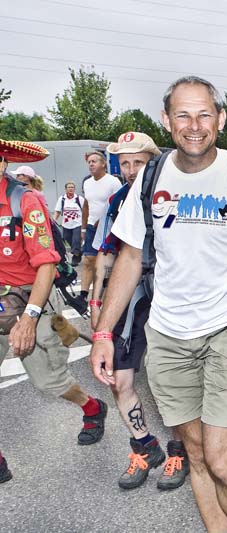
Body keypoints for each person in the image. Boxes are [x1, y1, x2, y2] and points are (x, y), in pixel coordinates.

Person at [89, 76, 227, 533]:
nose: (194, 125)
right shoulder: (151, 177)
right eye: (183, 114)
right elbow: (131, 256)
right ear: (166, 120)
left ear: (220, 120)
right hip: (166, 336)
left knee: (223, 461)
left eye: (204, 114)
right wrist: (104, 333)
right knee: (196, 456)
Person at [88, 131, 189, 491]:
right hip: (129, 294)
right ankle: (144, 446)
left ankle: (180, 448)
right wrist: (97, 302)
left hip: (169, 293)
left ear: (153, 162)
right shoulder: (115, 201)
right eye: (125, 163)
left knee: (174, 380)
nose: (131, 170)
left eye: (138, 163)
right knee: (119, 378)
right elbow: (105, 253)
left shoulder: (173, 196)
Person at [1, 147, 109, 462]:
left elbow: (46, 265)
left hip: (32, 294)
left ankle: (91, 407)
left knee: (48, 380)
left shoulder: (25, 201)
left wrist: (30, 319)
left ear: (4, 162)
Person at [79, 151, 123, 305]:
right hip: (91, 226)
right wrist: (83, 228)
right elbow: (86, 205)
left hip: (108, 228)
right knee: (88, 260)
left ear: (103, 164)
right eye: (89, 162)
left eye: (94, 161)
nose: (91, 164)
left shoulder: (113, 182)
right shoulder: (87, 183)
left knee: (107, 261)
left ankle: (109, 290)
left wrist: (104, 220)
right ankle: (83, 294)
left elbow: (119, 205)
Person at [53, 181, 84, 265]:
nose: (71, 189)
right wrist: (54, 220)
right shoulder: (62, 199)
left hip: (77, 224)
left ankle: (75, 257)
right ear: (65, 189)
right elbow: (58, 211)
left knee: (76, 240)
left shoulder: (79, 199)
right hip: (66, 224)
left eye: (72, 187)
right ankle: (79, 251)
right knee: (67, 238)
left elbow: (85, 211)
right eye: (69, 187)